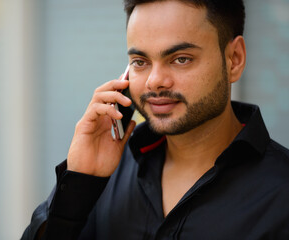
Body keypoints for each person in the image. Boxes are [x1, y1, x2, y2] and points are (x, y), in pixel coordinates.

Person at [22, 0, 289, 239]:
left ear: (234, 59)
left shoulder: (280, 193)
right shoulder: (105, 172)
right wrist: (79, 181)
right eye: (140, 61)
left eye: (181, 59)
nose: (154, 81)